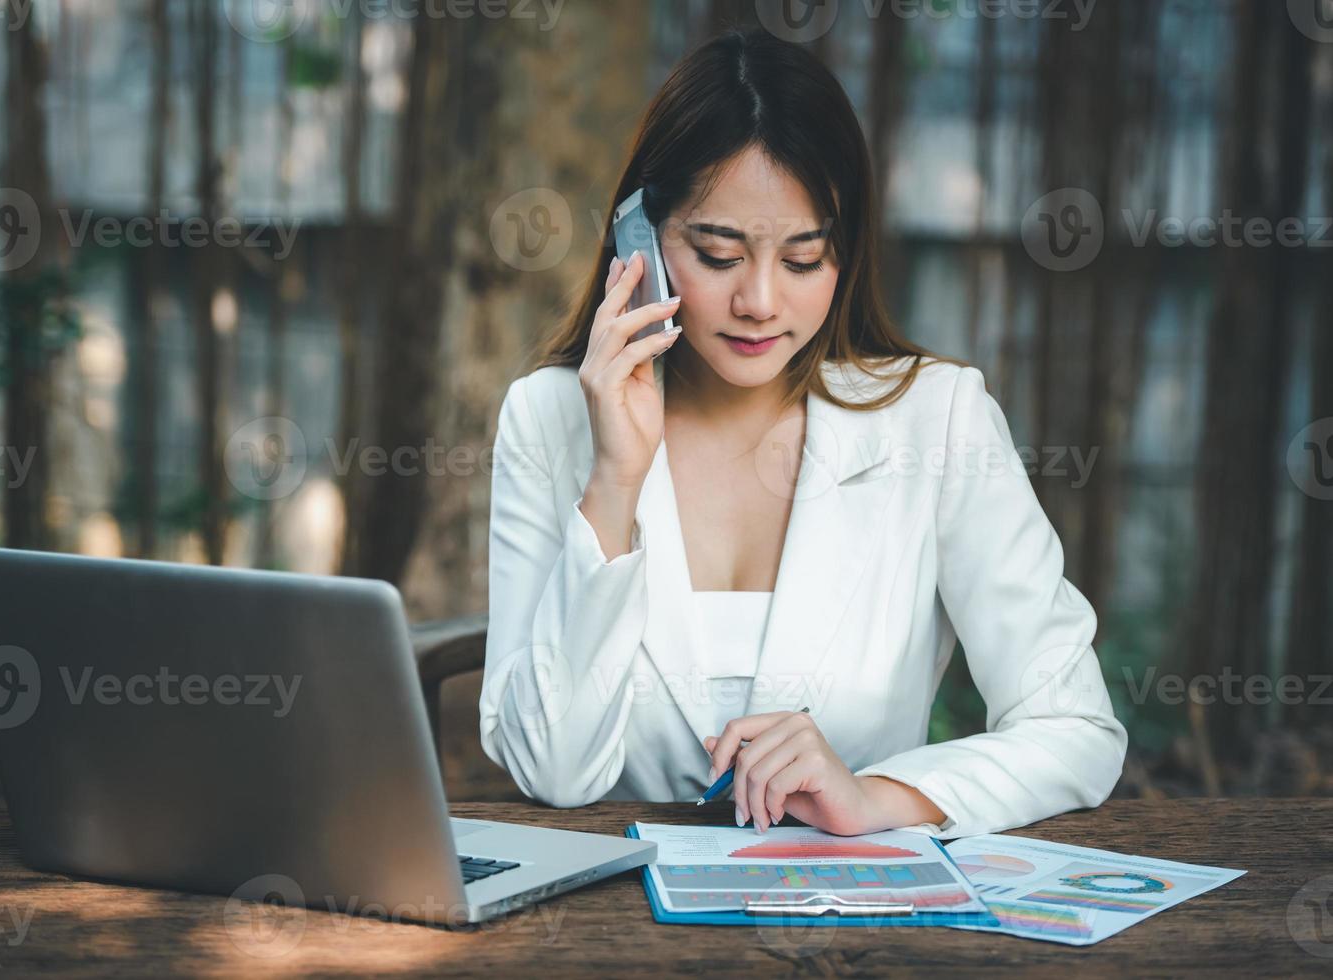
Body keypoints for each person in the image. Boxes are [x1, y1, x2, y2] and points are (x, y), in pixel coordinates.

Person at [479, 27, 1126, 839]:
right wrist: (613, 479)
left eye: (803, 258)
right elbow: (553, 772)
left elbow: (1075, 729)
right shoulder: (548, 420)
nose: (760, 301)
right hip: (616, 929)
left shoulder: (938, 419)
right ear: (637, 239)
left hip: (851, 930)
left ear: (845, 252)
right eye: (717, 255)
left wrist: (876, 797)